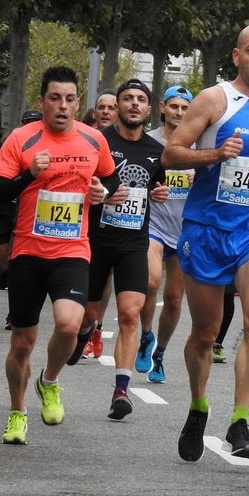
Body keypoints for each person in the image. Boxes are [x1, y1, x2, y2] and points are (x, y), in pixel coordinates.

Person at [161, 22, 249, 461]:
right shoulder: (215, 100)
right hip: (206, 229)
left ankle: (241, 420)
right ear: (236, 56)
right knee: (205, 333)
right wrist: (214, 154)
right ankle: (198, 405)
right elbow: (171, 153)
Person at [0, 66, 119, 445]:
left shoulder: (94, 140)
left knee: (68, 325)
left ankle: (49, 381)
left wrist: (103, 193)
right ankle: (17, 411)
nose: (63, 106)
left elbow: (109, 177)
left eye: (70, 99)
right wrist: (29, 174)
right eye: (55, 98)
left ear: (79, 102)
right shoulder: (22, 139)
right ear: (42, 101)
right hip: (28, 251)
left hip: (72, 250)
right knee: (22, 343)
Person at [80, 78, 167, 420]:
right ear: (117, 107)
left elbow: (157, 185)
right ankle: (86, 331)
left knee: (131, 313)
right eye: (127, 98)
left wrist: (158, 193)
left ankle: (121, 390)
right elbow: (81, 183)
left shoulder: (155, 150)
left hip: (133, 243)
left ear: (148, 109)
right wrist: (96, 195)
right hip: (96, 242)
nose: (134, 104)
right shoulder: (99, 142)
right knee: (87, 315)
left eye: (140, 99)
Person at [139, 85, 196, 384]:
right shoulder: (149, 142)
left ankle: (159, 353)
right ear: (162, 107)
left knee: (174, 300)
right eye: (174, 106)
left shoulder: (197, 144)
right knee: (150, 281)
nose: (179, 113)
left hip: (185, 229)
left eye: (185, 108)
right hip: (154, 224)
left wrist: (197, 177)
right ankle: (146, 334)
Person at [79, 91, 121, 360]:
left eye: (111, 107)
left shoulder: (130, 140)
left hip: (115, 217)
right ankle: (84, 324)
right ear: (94, 112)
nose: (106, 112)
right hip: (84, 215)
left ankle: (95, 326)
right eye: (101, 107)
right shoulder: (84, 139)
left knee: (105, 277)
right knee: (87, 275)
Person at [0, 109, 43, 299]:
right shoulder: (11, 143)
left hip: (29, 214)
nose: (30, 126)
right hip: (4, 208)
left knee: (18, 259)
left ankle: (14, 311)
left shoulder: (47, 147)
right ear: (21, 125)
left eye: (35, 122)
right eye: (27, 123)